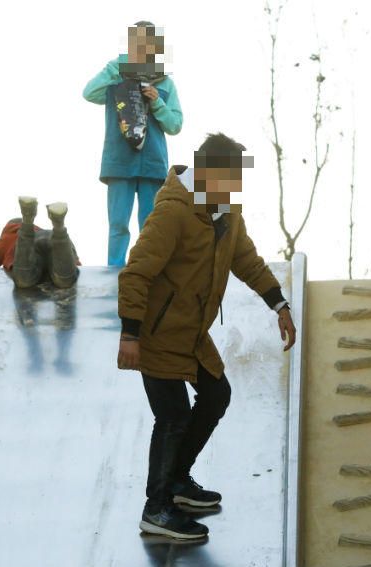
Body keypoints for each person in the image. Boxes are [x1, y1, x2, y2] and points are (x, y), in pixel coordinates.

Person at [116, 132, 298, 540]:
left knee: (217, 394)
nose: (235, 189)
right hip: (158, 333)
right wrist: (130, 334)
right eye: (229, 179)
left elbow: (245, 259)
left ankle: (178, 481)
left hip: (192, 334)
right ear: (205, 174)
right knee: (173, 416)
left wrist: (279, 305)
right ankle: (157, 508)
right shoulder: (174, 212)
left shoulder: (226, 211)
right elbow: (136, 272)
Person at [83, 20, 183, 267]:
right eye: (136, 43)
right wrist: (115, 68)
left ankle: (145, 269)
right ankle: (114, 270)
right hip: (119, 161)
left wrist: (157, 101)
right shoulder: (116, 74)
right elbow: (89, 93)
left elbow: (175, 125)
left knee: (150, 224)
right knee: (117, 223)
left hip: (152, 163)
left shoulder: (165, 83)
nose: (142, 49)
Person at [0, 197, 79, 289]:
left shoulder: (9, 235)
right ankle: (59, 226)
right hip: (52, 238)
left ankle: (27, 220)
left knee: (24, 280)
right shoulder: (41, 230)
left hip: (31, 245)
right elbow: (76, 265)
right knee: (65, 280)